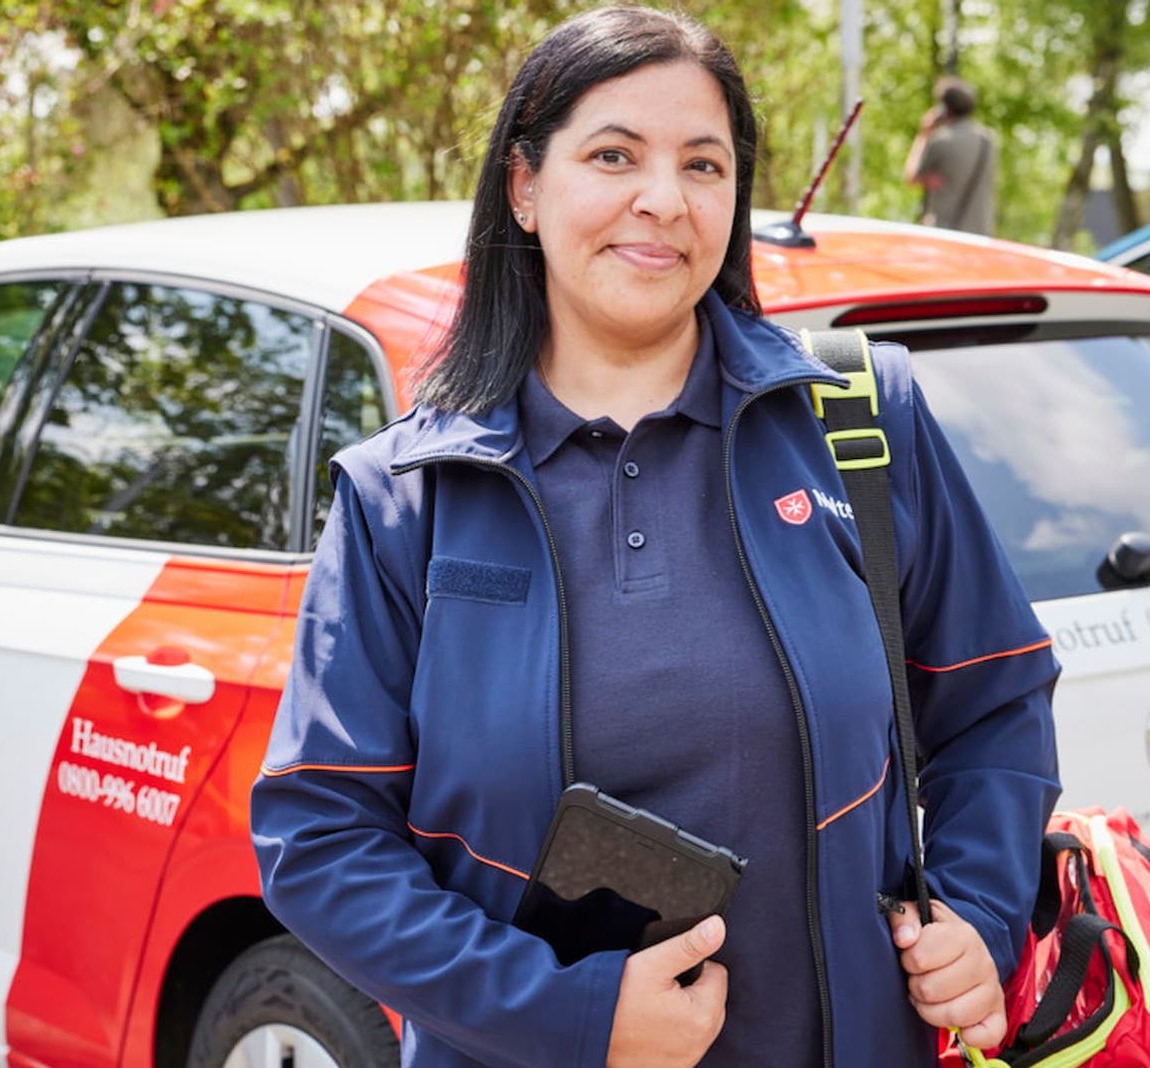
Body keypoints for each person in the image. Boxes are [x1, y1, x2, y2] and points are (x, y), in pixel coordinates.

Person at [250, 7, 1059, 1065]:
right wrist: (573, 1015)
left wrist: (979, 917)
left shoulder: (861, 425)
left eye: (704, 165)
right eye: (613, 155)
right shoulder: (404, 497)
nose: (664, 200)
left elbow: (995, 701)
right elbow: (321, 843)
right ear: (524, 186)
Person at [904, 76, 996, 235]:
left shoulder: (942, 140)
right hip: (979, 232)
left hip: (945, 231)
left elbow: (911, 176)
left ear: (944, 109)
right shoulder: (987, 140)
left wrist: (923, 133)